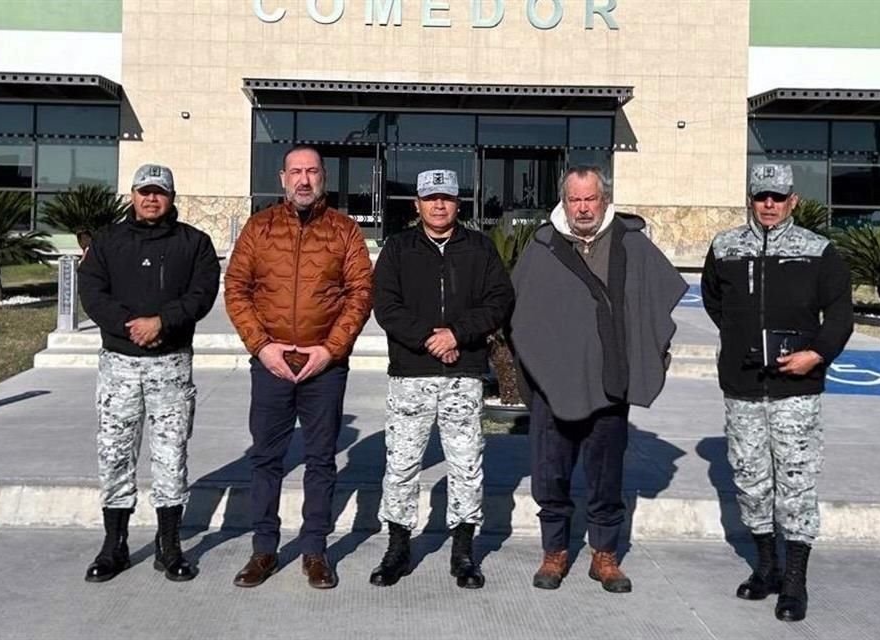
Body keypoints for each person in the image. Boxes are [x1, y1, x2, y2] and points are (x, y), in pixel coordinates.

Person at [510, 166, 687, 593]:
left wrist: (649, 355)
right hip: (555, 386)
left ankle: (604, 555)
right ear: (564, 201)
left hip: (610, 384)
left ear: (604, 201)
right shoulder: (543, 246)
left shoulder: (631, 244)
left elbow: (657, 305)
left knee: (607, 475)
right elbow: (517, 314)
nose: (583, 207)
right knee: (551, 474)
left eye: (591, 199)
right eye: (575, 199)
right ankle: (555, 552)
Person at [701, 163, 853, 622]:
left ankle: (795, 581)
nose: (769, 205)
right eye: (761, 196)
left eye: (777, 197)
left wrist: (816, 353)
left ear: (793, 201)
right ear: (750, 198)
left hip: (796, 391)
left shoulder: (818, 251)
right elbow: (714, 301)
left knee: (796, 483)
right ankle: (766, 567)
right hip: (743, 386)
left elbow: (841, 315)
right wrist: (740, 338)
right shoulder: (725, 247)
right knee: (749, 480)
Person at [225, 145, 373, 589]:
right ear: (282, 178)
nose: (304, 180)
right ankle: (264, 550)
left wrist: (330, 350)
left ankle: (315, 551)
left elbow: (360, 293)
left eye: (311, 171)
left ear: (323, 177)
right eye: (296, 172)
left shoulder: (344, 230)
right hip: (271, 363)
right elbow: (236, 288)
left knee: (321, 461)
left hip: (324, 368)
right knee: (267, 459)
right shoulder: (259, 227)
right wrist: (262, 346)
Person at [370, 169, 514, 589]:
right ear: (416, 203)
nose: (438, 205)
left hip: (463, 374)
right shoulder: (398, 249)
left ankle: (464, 552)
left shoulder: (480, 249)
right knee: (400, 464)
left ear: (458, 204)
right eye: (430, 198)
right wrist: (429, 339)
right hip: (410, 374)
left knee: (466, 464)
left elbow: (498, 301)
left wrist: (458, 335)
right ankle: (398, 547)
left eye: (446, 198)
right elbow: (386, 306)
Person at [79, 163, 220, 583]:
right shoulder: (107, 242)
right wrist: (130, 326)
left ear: (172, 197)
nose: (151, 198)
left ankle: (169, 545)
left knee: (170, 455)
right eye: (144, 191)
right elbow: (92, 292)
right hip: (119, 365)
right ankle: (114, 546)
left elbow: (202, 293)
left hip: (171, 364)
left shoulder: (194, 243)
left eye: (159, 191)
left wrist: (162, 322)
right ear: (133, 195)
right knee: (115, 453)